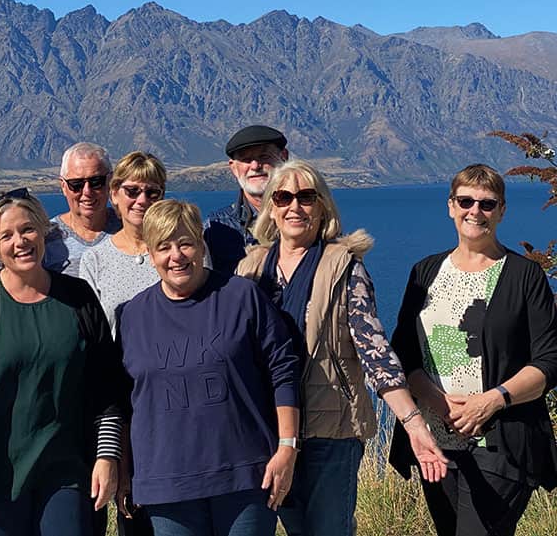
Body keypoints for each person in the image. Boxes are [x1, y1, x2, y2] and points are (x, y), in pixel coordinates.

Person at [236, 159, 447, 536]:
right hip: (267, 432)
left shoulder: (344, 267)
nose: (294, 207)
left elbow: (375, 350)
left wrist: (413, 423)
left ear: (322, 207)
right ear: (271, 207)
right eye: (284, 197)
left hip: (330, 431)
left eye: (306, 197)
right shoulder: (249, 270)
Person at [0, 190, 122, 536]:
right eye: (7, 235)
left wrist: (107, 457)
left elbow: (107, 387)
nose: (20, 241)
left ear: (43, 230)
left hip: (67, 471)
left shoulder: (77, 298)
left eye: (28, 229)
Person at [390, 164, 557, 536]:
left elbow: (549, 361)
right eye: (466, 201)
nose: (475, 211)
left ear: (501, 211)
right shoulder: (425, 272)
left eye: (487, 203)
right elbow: (403, 352)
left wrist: (493, 400)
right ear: (451, 206)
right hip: (436, 443)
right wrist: (436, 400)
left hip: (501, 443)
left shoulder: (524, 276)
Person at [117, 199, 300, 536]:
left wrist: (287, 447)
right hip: (167, 485)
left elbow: (283, 370)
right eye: (164, 247)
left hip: (245, 477)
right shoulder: (132, 316)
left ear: (201, 244)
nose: (176, 256)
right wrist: (124, 470)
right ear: (150, 253)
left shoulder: (241, 296)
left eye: (185, 242)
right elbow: (126, 399)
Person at [79, 151, 165, 536]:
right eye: (132, 190)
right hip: (122, 403)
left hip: (176, 401)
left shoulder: (179, 252)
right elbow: (95, 343)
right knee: (133, 515)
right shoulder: (96, 260)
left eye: (152, 192)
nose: (141, 200)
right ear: (114, 194)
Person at [204, 125, 289, 276]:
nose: (255, 166)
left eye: (264, 156)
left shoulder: (306, 218)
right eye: (246, 159)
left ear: (284, 157)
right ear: (233, 168)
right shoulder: (217, 228)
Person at [44, 142, 121, 277]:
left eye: (96, 182)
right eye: (76, 184)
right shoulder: (44, 239)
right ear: (63, 186)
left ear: (110, 181)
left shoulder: (129, 229)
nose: (87, 192)